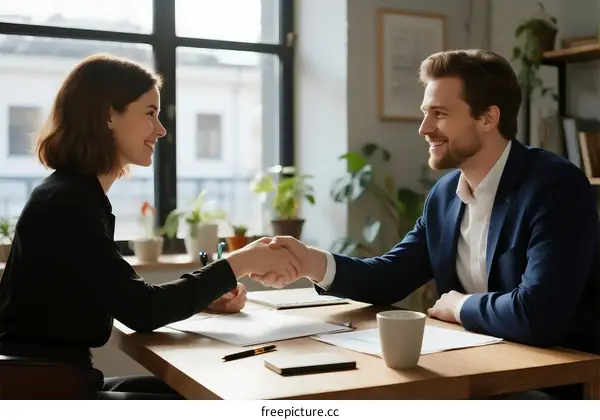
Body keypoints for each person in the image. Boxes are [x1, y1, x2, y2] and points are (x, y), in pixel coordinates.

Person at [251, 50, 600, 399]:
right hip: (474, 368)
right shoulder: (445, 195)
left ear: (487, 119)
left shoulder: (555, 186)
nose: (424, 128)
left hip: (553, 383)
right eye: (425, 113)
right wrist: (309, 261)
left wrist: (459, 306)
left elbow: (539, 315)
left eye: (440, 114)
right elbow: (390, 277)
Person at [0, 53, 301, 400]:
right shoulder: (67, 203)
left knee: (192, 392)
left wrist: (204, 301)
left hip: (62, 382)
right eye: (149, 113)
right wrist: (241, 262)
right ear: (108, 115)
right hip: (49, 391)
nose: (161, 129)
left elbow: (126, 296)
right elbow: (142, 310)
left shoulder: (72, 195)